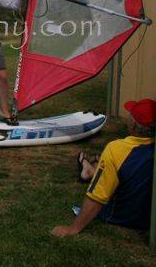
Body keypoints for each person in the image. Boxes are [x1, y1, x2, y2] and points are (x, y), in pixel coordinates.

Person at [51, 98, 155, 237]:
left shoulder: (117, 149)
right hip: (150, 219)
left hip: (121, 216)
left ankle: (89, 169)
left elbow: (98, 195)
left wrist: (73, 228)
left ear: (134, 125)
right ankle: (91, 169)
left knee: (109, 171)